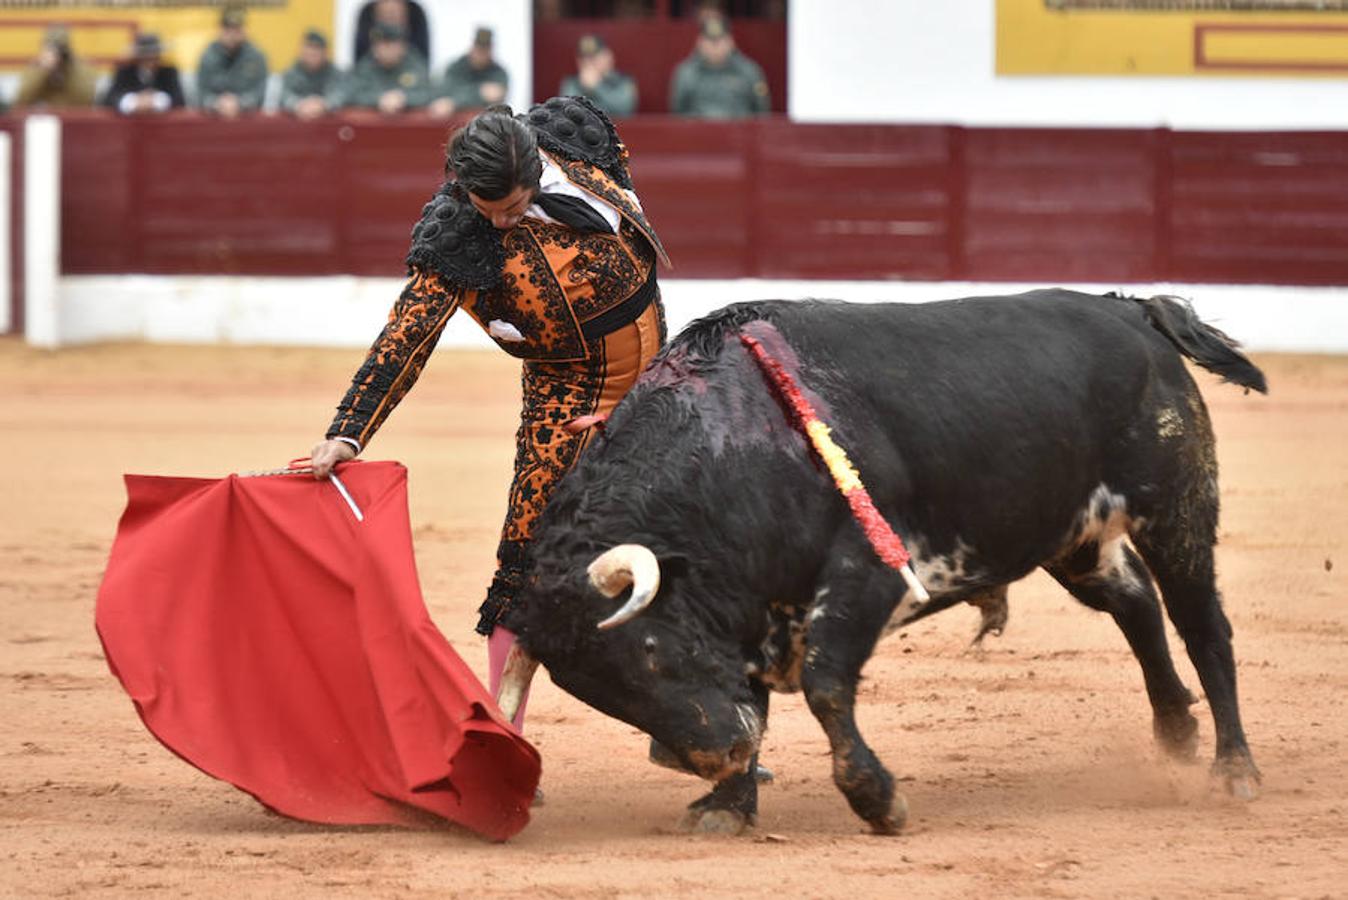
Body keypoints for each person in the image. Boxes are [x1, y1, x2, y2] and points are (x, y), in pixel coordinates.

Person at [309, 98, 670, 732]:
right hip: (568, 395)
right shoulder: (458, 230)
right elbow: (407, 337)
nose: (502, 222)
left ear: (536, 168)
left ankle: (704, 718)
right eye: (491, 211)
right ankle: (503, 728)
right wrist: (349, 429)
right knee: (527, 560)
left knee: (703, 536)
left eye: (513, 206)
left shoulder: (576, 136)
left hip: (662, 380)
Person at [669, 14, 770, 118]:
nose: (715, 47)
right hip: (699, 132)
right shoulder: (686, 73)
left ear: (731, 42)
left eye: (720, 41)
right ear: (700, 42)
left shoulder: (749, 71)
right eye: (710, 41)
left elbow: (762, 112)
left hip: (739, 132)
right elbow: (677, 114)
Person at [196, 4, 268, 117]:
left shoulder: (256, 56)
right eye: (227, 29)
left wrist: (239, 103)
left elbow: (260, 94)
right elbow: (199, 94)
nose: (232, 34)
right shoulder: (207, 56)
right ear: (219, 30)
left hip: (246, 119)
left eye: (237, 29)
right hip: (215, 119)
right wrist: (217, 104)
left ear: (244, 30)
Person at [345, 22, 433, 114]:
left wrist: (403, 98)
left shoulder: (416, 65)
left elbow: (428, 94)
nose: (385, 50)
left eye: (390, 45)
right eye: (380, 45)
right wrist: (379, 99)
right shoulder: (364, 66)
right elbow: (352, 94)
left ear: (403, 47)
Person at [428, 27, 509, 118]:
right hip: (456, 122)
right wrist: (479, 92)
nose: (481, 54)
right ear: (472, 47)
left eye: (485, 49)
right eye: (479, 48)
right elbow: (445, 93)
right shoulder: (456, 68)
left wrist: (456, 101)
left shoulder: (499, 73)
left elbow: (496, 101)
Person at [14, 26, 98, 109]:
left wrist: (69, 69)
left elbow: (86, 99)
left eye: (61, 49)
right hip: (46, 119)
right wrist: (43, 71)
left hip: (74, 117)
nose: (57, 55)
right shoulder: (35, 68)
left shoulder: (82, 68)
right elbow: (22, 100)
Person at [102, 33, 186, 115]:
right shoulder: (124, 72)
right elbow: (109, 99)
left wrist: (156, 100)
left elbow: (180, 100)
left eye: (154, 54)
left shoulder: (168, 73)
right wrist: (134, 101)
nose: (150, 58)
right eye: (145, 55)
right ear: (138, 57)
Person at [558, 34, 637, 118]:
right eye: (583, 57)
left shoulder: (623, 81)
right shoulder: (572, 83)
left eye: (593, 57)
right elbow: (567, 111)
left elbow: (625, 110)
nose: (588, 62)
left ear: (607, 56)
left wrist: (597, 87)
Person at [280, 29, 343, 120]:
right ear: (302, 52)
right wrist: (298, 105)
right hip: (297, 124)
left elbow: (341, 93)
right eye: (309, 51)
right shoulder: (291, 73)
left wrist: (324, 104)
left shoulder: (335, 73)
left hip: (326, 124)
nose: (312, 55)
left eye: (316, 52)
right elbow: (283, 94)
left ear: (325, 53)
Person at [353, 0, 431, 66]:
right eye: (384, 13)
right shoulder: (366, 15)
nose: (390, 15)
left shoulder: (417, 14)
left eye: (395, 13)